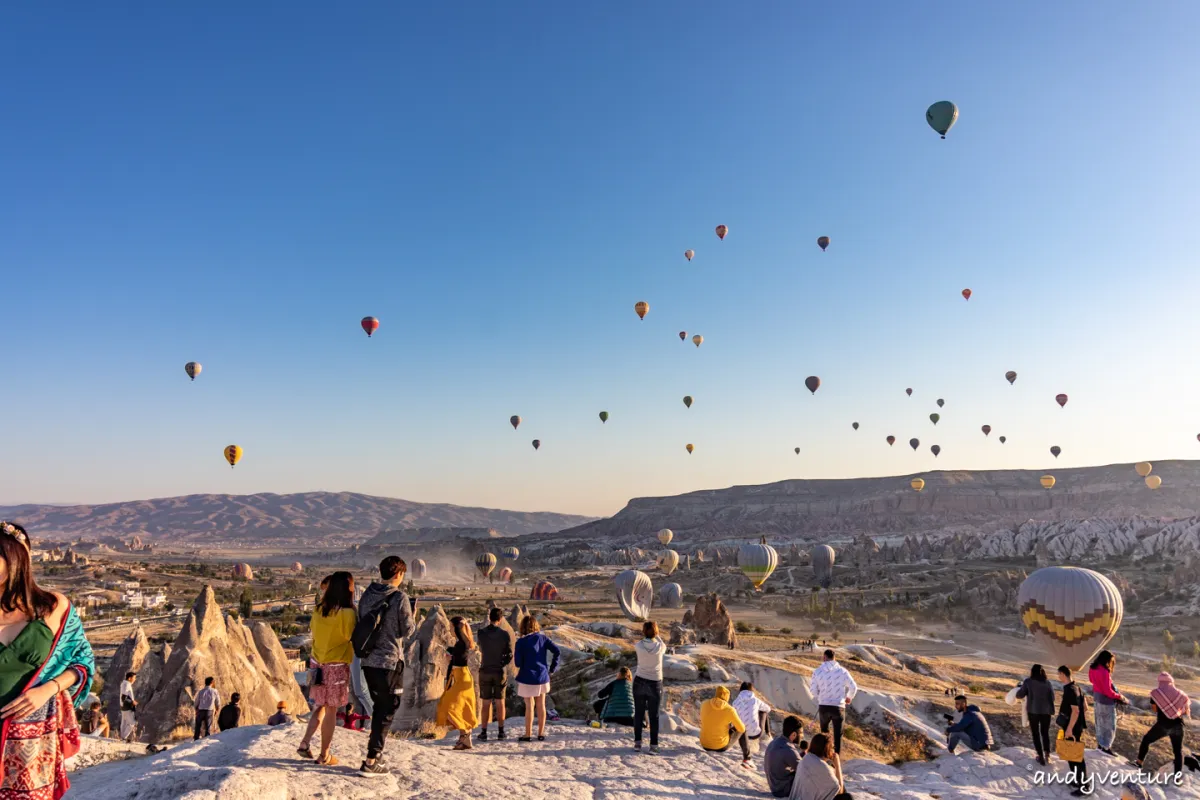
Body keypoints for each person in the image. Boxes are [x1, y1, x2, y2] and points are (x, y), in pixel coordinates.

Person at [0, 520, 96, 799]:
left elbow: (82, 661)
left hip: (29, 737)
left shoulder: (53, 608)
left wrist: (48, 689)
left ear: (15, 560)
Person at [356, 556, 416, 776]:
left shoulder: (367, 595)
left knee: (380, 708)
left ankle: (374, 755)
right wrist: (413, 617)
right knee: (387, 710)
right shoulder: (399, 597)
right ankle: (372, 760)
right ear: (399, 574)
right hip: (389, 662)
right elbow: (406, 631)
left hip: (368, 662)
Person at [298, 571, 356, 766]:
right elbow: (351, 636)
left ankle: (305, 743)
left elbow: (314, 632)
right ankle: (324, 755)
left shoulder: (319, 608)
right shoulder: (346, 613)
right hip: (336, 665)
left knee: (320, 705)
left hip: (317, 663)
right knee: (331, 710)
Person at [513, 615, 559, 743]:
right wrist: (552, 668)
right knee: (541, 705)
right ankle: (541, 733)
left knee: (529, 706)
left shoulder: (520, 642)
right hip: (542, 676)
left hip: (527, 677)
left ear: (522, 627)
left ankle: (527, 734)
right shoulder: (543, 638)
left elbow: (517, 663)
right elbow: (557, 651)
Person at [436, 616, 480, 750]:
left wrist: (461, 624)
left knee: (451, 706)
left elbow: (463, 641)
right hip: (459, 676)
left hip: (463, 677)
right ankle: (464, 738)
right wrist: (452, 656)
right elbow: (458, 655)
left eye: (451, 626)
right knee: (455, 707)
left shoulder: (464, 641)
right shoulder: (459, 643)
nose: (450, 629)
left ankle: (465, 735)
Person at [1135, 671, 1190, 778]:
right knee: (1178, 752)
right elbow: (1184, 709)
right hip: (1178, 726)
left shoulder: (1156, 693)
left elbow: (1155, 709)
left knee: (1146, 740)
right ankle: (1177, 778)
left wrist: (1163, 706)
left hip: (1163, 725)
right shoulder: (1180, 694)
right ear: (1171, 682)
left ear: (1160, 682)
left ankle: (1139, 763)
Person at [809, 649, 857, 754]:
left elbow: (812, 690)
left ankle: (824, 757)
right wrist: (849, 697)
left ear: (824, 657)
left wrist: (820, 696)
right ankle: (836, 761)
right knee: (838, 736)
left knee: (824, 734)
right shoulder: (843, 671)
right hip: (838, 707)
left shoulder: (817, 671)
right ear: (834, 658)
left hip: (824, 706)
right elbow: (853, 687)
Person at [477, 606, 514, 741]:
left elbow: (480, 647)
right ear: (500, 619)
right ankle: (501, 732)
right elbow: (509, 654)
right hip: (499, 671)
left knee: (485, 703)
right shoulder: (504, 634)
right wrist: (502, 663)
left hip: (485, 670)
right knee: (500, 702)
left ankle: (484, 732)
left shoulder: (481, 633)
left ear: (490, 618)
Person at [633, 620, 665, 754]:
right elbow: (663, 643)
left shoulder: (638, 646)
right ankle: (653, 746)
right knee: (654, 716)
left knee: (639, 714)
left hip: (640, 680)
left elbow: (642, 640)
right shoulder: (660, 647)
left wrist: (647, 633)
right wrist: (656, 634)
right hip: (655, 682)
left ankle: (637, 744)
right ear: (656, 632)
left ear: (643, 632)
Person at [789, 732, 852, 800]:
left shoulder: (807, 757)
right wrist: (837, 764)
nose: (834, 750)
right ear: (827, 748)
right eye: (832, 747)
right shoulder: (822, 767)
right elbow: (840, 792)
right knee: (847, 797)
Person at [1057, 665, 1088, 797]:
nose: (1058, 677)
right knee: (1072, 755)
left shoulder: (1070, 690)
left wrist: (1069, 728)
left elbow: (1076, 711)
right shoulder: (1077, 687)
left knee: (1076, 757)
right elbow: (1085, 707)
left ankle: (1084, 786)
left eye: (1059, 674)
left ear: (1063, 674)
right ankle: (1077, 781)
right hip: (1076, 726)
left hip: (1072, 728)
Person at [1015, 664, 1056, 765]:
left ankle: (1040, 756)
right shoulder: (1047, 683)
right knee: (1045, 733)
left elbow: (1020, 695)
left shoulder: (1028, 681)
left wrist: (1018, 690)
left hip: (1033, 711)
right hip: (1046, 712)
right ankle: (1047, 754)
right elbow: (1053, 697)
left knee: (1035, 733)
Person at [1087, 650, 1125, 756]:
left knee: (1099, 723)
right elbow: (1108, 691)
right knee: (1110, 725)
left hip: (1097, 698)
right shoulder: (1105, 672)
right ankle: (1106, 747)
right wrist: (1119, 696)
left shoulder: (1092, 668)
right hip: (1106, 701)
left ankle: (1100, 744)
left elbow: (1091, 680)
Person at [732, 680, 772, 767]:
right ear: (751, 690)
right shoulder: (755, 700)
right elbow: (768, 709)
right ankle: (768, 731)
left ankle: (747, 758)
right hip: (756, 733)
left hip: (740, 734)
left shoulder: (735, 702)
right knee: (763, 711)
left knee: (741, 726)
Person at [764, 715, 804, 798]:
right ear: (793, 734)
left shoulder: (775, 741)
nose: (802, 736)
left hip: (774, 785)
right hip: (781, 790)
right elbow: (805, 770)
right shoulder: (788, 749)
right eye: (801, 733)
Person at [699, 685, 746, 754]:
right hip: (720, 747)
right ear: (727, 697)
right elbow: (741, 729)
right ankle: (747, 756)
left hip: (704, 744)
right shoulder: (730, 710)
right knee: (742, 728)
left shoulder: (704, 704)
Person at [119, 671, 138, 741]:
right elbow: (124, 697)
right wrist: (132, 702)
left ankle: (122, 737)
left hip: (123, 706)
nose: (135, 679)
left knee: (124, 723)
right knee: (132, 723)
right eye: (134, 678)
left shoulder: (125, 684)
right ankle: (123, 737)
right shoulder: (126, 684)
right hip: (127, 707)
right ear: (130, 678)